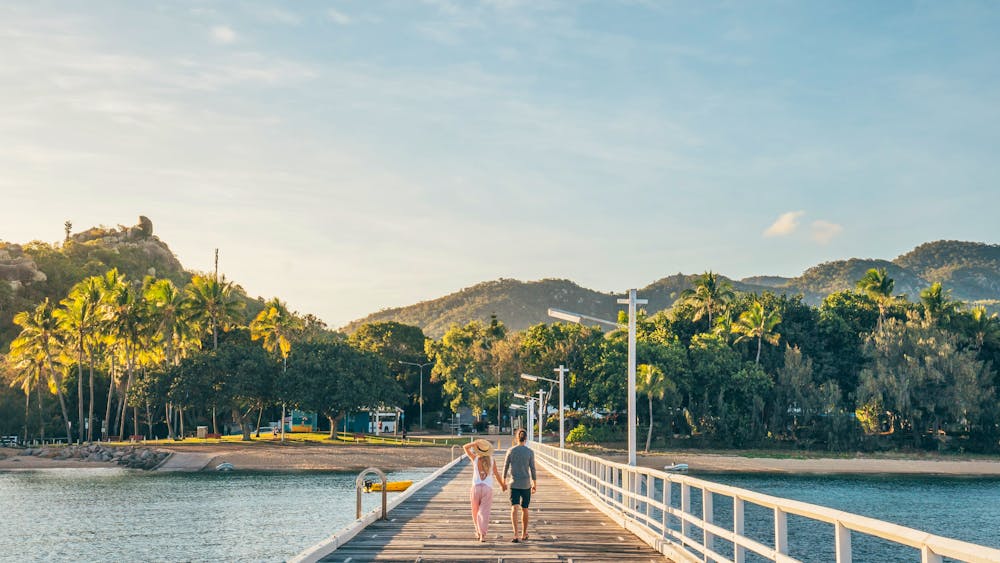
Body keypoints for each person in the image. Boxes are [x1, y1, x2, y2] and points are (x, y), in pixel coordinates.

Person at [463, 438, 506, 542]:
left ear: (479, 450)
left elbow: (465, 447)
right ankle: (482, 535)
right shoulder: (492, 460)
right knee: (484, 512)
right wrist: (502, 485)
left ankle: (478, 532)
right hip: (487, 488)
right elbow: (496, 474)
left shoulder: (475, 458)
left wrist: (475, 443)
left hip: (476, 488)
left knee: (475, 511)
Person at [502, 428, 536, 543]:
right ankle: (524, 534)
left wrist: (503, 482)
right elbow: (533, 469)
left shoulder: (511, 450)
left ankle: (515, 534)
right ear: (526, 438)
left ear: (516, 438)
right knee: (525, 509)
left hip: (514, 483)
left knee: (514, 508)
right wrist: (535, 483)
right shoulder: (530, 452)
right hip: (526, 484)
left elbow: (505, 467)